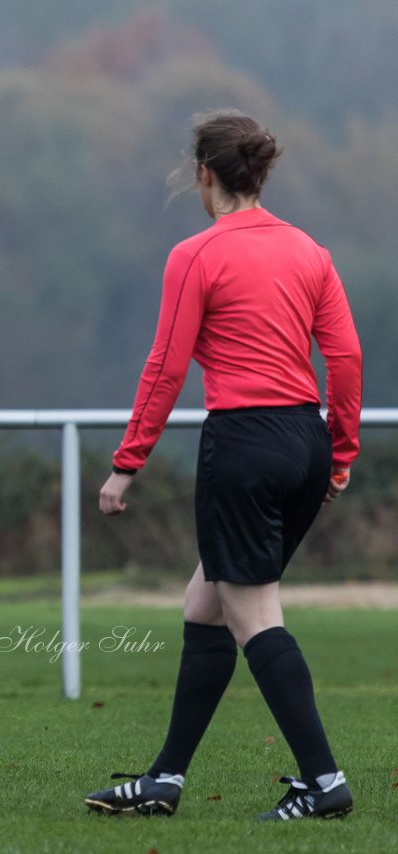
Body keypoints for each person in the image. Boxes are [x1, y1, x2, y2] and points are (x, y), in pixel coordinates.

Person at [84, 112, 362, 821]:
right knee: (204, 605)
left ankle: (324, 783)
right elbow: (347, 359)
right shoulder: (311, 252)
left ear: (205, 174)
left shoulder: (196, 255)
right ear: (258, 173)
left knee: (254, 614)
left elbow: (166, 366)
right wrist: (340, 454)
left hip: (243, 444)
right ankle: (166, 779)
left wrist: (127, 465)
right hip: (305, 439)